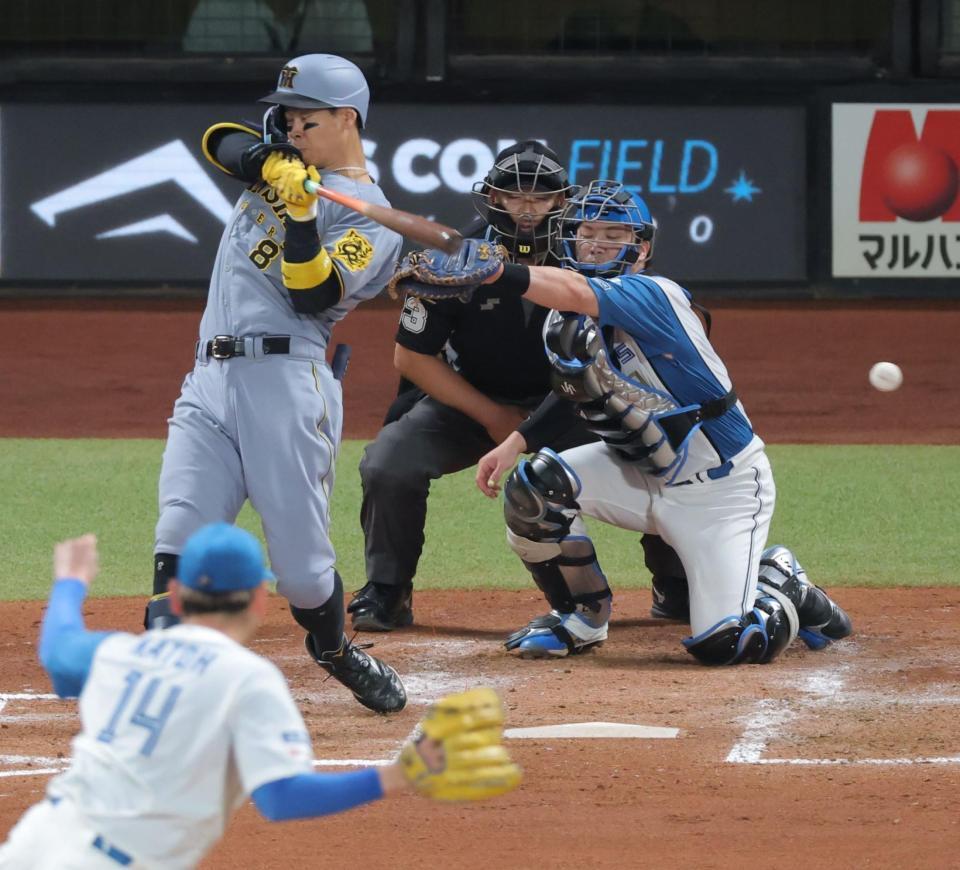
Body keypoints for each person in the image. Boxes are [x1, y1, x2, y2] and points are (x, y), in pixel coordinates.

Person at [464, 179, 852, 664]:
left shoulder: (654, 293)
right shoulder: (564, 322)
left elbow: (571, 287)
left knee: (727, 644)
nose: (599, 242)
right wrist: (517, 441)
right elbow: (578, 392)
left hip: (720, 490)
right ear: (569, 236)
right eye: (589, 230)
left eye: (616, 234)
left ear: (641, 248)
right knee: (536, 490)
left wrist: (496, 270)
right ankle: (583, 617)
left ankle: (781, 582)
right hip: (641, 471)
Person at [0, 526, 520, 869]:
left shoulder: (120, 654)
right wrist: (399, 775)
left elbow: (61, 648)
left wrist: (70, 581)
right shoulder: (246, 679)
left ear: (176, 599)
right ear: (258, 599)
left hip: (32, 844)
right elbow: (280, 797)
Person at [145, 54, 407, 714]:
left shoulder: (371, 216)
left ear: (347, 118)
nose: (290, 127)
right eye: (286, 116)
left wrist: (299, 214)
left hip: (287, 384)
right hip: (208, 378)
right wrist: (273, 167)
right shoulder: (286, 163)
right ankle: (162, 669)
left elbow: (312, 290)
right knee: (181, 524)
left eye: (305, 118)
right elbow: (220, 141)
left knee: (301, 571)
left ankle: (333, 648)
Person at [349, 140, 594, 632]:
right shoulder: (453, 256)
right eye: (514, 195)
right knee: (388, 461)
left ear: (560, 201)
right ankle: (388, 590)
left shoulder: (589, 252)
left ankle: (675, 585)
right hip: (475, 401)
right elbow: (411, 356)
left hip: (572, 404)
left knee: (657, 448)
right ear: (494, 199)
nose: (527, 208)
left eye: (539, 197)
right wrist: (492, 417)